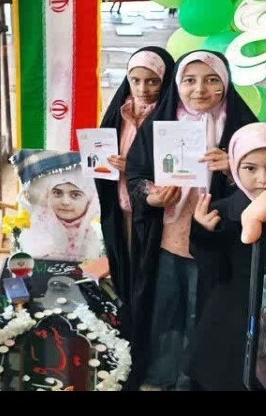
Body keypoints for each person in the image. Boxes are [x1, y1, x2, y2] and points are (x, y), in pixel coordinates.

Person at [125, 50, 258, 390]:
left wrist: (234, 169)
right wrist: (151, 197)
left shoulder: (244, 129)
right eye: (189, 80)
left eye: (212, 80)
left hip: (217, 242)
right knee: (165, 312)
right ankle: (159, 377)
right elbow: (137, 174)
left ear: (225, 83)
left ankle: (193, 381)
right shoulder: (161, 124)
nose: (199, 90)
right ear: (177, 84)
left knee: (205, 314)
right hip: (168, 241)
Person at [188, 123, 266, 391]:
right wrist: (205, 233)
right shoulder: (221, 212)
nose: (263, 179)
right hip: (231, 325)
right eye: (250, 168)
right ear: (235, 168)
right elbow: (214, 273)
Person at [95, 46, 174, 331]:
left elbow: (172, 164)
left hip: (153, 213)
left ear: (166, 80)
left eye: (152, 81)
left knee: (146, 273)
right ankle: (124, 320)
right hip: (121, 205)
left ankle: (144, 328)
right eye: (135, 80)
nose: (143, 89)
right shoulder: (121, 111)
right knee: (124, 265)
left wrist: (135, 167)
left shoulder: (169, 116)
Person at [19, 171, 103, 263]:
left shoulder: (100, 230)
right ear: (48, 195)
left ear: (89, 199)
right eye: (58, 193)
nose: (65, 202)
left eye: (75, 195)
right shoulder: (37, 225)